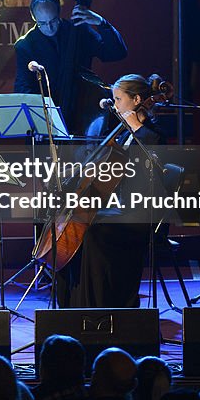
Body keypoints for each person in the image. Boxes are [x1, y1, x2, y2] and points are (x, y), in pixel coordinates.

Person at [57, 74, 165, 309]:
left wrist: (135, 126)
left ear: (137, 99)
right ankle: (74, 305)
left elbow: (148, 181)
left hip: (140, 215)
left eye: (118, 99)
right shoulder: (124, 134)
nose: (114, 105)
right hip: (117, 209)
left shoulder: (153, 136)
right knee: (73, 228)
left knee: (93, 230)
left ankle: (102, 305)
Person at [14, 0, 126, 133]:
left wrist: (101, 23)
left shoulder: (79, 31)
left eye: (53, 21)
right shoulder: (25, 45)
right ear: (33, 16)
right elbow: (23, 87)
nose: (49, 27)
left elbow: (116, 53)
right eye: (42, 23)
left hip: (84, 113)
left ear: (59, 12)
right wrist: (38, 122)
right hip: (48, 124)